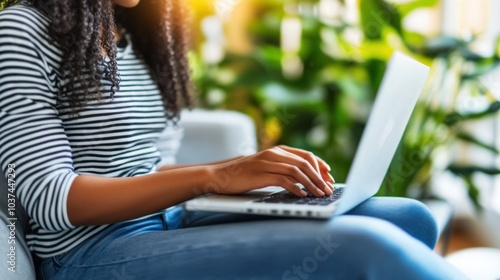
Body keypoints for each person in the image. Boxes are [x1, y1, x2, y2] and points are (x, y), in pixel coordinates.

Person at [0, 0, 466, 279]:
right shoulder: (22, 30)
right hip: (89, 255)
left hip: (168, 218)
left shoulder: (136, 31)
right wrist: (216, 176)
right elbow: (50, 200)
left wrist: (246, 178)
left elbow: (147, 167)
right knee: (365, 245)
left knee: (411, 217)